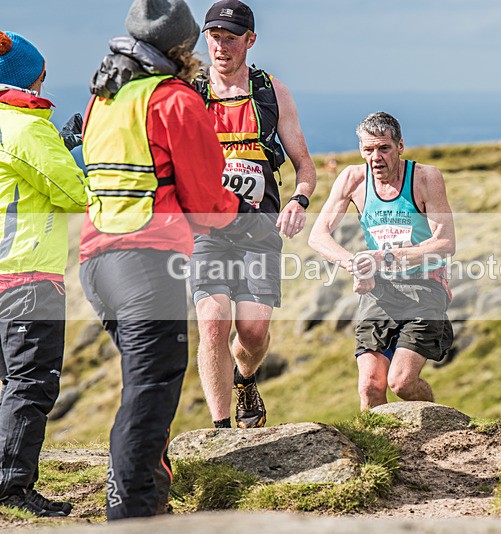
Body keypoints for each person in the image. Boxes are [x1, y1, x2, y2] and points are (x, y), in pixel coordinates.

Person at [79, 0, 272, 519]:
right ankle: (134, 515)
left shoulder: (106, 97)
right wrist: (244, 208)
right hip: (145, 262)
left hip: (96, 262)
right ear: (182, 47)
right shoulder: (174, 100)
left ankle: (142, 502)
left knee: (141, 385)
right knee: (150, 393)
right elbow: (208, 208)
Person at [191, 0, 316, 429]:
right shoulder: (191, 92)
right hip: (205, 231)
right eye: (214, 37)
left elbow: (304, 166)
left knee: (253, 333)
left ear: (250, 41)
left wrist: (299, 201)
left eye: (230, 38)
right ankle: (221, 429)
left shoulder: (271, 92)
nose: (221, 47)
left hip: (259, 230)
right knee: (212, 325)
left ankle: (247, 378)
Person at [308, 112, 455, 410]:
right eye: (368, 149)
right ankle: (374, 452)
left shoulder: (426, 178)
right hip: (379, 290)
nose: (375, 157)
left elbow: (446, 243)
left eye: (384, 148)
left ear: (400, 146)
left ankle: (442, 423)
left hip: (425, 287)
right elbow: (318, 236)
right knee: (370, 387)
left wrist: (386, 256)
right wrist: (354, 264)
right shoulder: (352, 179)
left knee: (401, 382)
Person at [0, 31, 87, 517]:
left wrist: (61, 141)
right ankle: (11, 488)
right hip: (28, 274)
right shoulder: (26, 130)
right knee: (31, 384)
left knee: (8, 384)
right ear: (27, 79)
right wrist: (83, 152)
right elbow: (73, 193)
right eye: (42, 75)